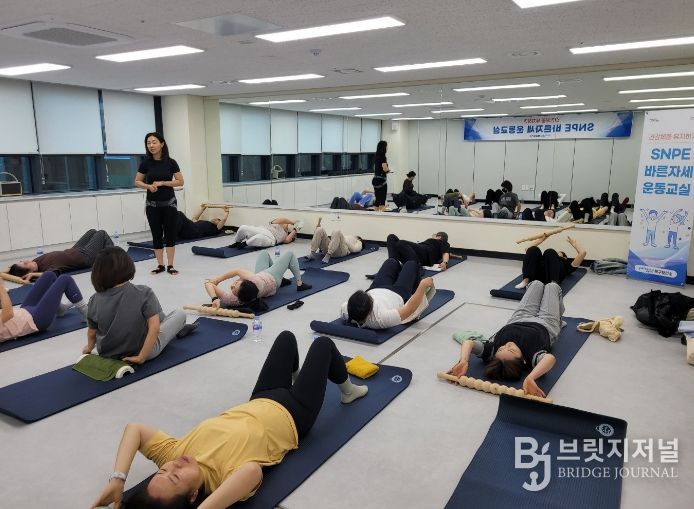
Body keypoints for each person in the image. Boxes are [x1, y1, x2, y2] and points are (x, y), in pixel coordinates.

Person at [88, 331, 368, 509]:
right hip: (295, 414)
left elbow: (134, 429)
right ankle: (348, 391)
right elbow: (253, 473)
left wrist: (118, 480)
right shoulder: (223, 481)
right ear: (194, 496)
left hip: (261, 397)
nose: (173, 466)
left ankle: (299, 379)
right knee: (322, 344)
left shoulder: (174, 454)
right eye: (175, 477)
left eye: (162, 471)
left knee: (286, 339)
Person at [448, 280, 564, 398]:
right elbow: (550, 358)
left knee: (536, 284)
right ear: (523, 360)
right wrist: (531, 377)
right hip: (547, 322)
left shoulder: (491, 351)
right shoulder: (532, 357)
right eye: (511, 350)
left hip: (519, 317)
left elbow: (468, 342)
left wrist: (463, 361)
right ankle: (559, 321)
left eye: (501, 349)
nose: (507, 345)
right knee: (552, 286)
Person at [82, 247, 187, 363]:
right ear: (128, 266)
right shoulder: (144, 292)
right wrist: (141, 357)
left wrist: (89, 348)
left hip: (108, 353)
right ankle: (177, 328)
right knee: (179, 314)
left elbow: (92, 332)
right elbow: (155, 328)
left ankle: (169, 324)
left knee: (154, 312)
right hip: (142, 351)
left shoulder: (94, 299)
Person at [135, 132, 184, 276]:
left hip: (169, 204)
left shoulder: (171, 162)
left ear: (162, 144)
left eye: (154, 142)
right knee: (156, 235)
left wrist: (163, 183)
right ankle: (160, 265)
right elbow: (137, 181)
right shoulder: (145, 163)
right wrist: (148, 186)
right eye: (148, 143)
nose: (151, 145)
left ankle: (170, 265)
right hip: (152, 206)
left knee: (170, 235)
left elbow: (180, 181)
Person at [205, 250, 312, 311]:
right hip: (272, 279)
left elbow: (208, 284)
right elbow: (237, 271)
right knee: (290, 254)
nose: (232, 285)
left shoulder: (230, 299)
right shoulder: (252, 278)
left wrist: (214, 298)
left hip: (263, 279)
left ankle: (282, 279)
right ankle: (300, 284)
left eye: (235, 285)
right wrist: (218, 280)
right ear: (247, 282)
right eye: (235, 287)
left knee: (264, 253)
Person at [342, 259, 434, 329]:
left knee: (391, 262)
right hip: (397, 293)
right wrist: (422, 285)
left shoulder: (346, 310)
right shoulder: (381, 319)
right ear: (370, 310)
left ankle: (398, 267)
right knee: (411, 264)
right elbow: (410, 309)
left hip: (376, 288)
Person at [1, 273, 88, 343]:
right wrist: (2, 289)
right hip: (36, 320)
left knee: (49, 276)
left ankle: (59, 309)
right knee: (65, 279)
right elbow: (8, 314)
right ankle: (87, 314)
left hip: (24, 311)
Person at [7, 229, 113, 281]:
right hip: (84, 257)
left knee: (92, 231)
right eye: (25, 264)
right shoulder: (47, 269)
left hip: (74, 251)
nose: (27, 261)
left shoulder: (35, 262)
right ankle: (115, 259)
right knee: (102, 233)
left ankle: (105, 257)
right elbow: (51, 275)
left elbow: (9, 271)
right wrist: (32, 275)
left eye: (23, 261)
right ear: (31, 272)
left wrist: (9, 271)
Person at [515, 235, 586, 289]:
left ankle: (553, 284)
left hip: (550, 279)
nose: (557, 254)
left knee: (550, 251)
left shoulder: (567, 265)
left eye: (559, 254)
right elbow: (528, 249)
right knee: (533, 249)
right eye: (556, 253)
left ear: (565, 258)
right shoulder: (546, 258)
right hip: (537, 275)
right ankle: (526, 281)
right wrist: (541, 240)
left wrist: (574, 244)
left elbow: (582, 253)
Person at [386, 232, 451, 270]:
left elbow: (446, 253)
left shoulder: (443, 243)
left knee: (401, 243)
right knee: (391, 237)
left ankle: (416, 267)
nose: (432, 235)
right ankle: (392, 265)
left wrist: (445, 263)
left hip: (424, 254)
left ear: (439, 237)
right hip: (414, 253)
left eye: (435, 235)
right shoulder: (431, 242)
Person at [230, 218, 300, 248]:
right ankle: (237, 242)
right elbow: (283, 219)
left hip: (271, 239)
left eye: (287, 225)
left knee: (260, 237)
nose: (286, 225)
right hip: (262, 230)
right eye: (286, 223)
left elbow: (287, 240)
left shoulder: (285, 235)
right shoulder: (275, 223)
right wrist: (292, 222)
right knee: (243, 227)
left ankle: (245, 244)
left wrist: (296, 229)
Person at [372, 140, 390, 212]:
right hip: (381, 181)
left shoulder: (376, 156)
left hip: (375, 180)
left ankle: (375, 214)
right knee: (382, 201)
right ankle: (382, 215)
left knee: (377, 200)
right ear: (384, 147)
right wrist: (388, 170)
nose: (387, 148)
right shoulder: (383, 157)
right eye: (386, 146)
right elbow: (385, 169)